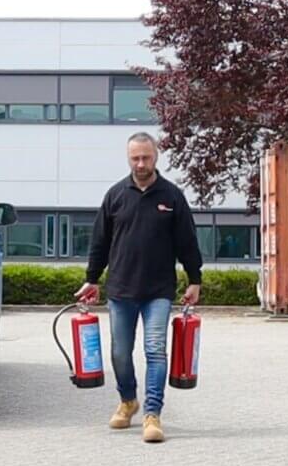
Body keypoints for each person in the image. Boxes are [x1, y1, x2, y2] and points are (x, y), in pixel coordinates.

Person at [75, 132, 203, 443]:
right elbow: (99, 243)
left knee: (155, 351)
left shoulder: (172, 197)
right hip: (121, 290)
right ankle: (128, 400)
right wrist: (92, 278)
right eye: (135, 158)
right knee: (120, 354)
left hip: (158, 290)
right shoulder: (115, 195)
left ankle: (152, 414)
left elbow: (187, 241)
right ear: (128, 157)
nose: (141, 163)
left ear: (156, 156)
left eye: (146, 157)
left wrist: (194, 279)